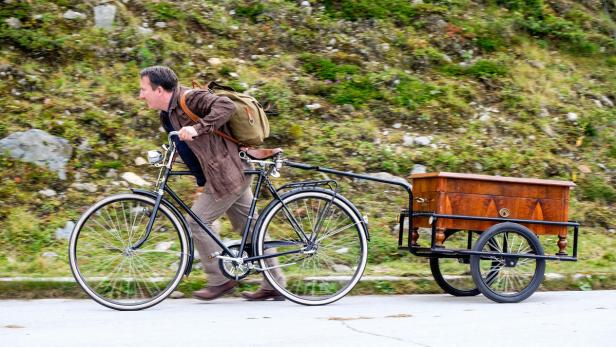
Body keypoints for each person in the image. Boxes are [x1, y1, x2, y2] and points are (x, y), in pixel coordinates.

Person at [138, 65, 285, 301]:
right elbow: (186, 143)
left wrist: (197, 128)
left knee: (197, 222)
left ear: (159, 90)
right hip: (227, 172)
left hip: (227, 174)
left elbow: (225, 106)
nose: (140, 95)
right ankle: (275, 283)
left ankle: (220, 280)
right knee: (253, 229)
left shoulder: (191, 98)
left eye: (143, 89)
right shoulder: (167, 114)